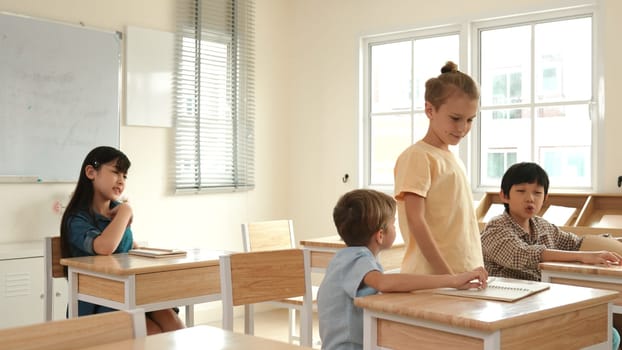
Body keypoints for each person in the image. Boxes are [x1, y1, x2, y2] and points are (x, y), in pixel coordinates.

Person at [318, 189, 488, 350]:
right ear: (380, 235)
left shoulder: (349, 257)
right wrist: (452, 280)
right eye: (393, 224)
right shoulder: (355, 258)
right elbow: (384, 283)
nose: (395, 228)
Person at [481, 161, 622, 350]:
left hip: (545, 305)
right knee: (603, 332)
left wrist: (613, 242)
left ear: (545, 198)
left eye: (537, 193)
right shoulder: (497, 227)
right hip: (508, 311)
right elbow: (520, 255)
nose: (530, 198)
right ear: (504, 196)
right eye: (521, 191)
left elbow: (575, 242)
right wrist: (583, 257)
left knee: (608, 333)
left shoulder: (542, 226)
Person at [60, 146, 184, 335]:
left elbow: (123, 249)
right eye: (116, 172)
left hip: (131, 292)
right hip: (98, 302)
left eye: (125, 176)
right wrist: (126, 211)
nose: (121, 180)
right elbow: (104, 247)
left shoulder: (117, 211)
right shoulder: (77, 219)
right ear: (91, 172)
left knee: (173, 324)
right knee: (151, 332)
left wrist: (137, 248)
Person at [394, 61, 484, 275]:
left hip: (462, 276)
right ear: (429, 109)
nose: (463, 128)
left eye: (470, 120)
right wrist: (448, 276)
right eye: (455, 118)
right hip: (433, 279)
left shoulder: (452, 159)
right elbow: (416, 221)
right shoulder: (417, 157)